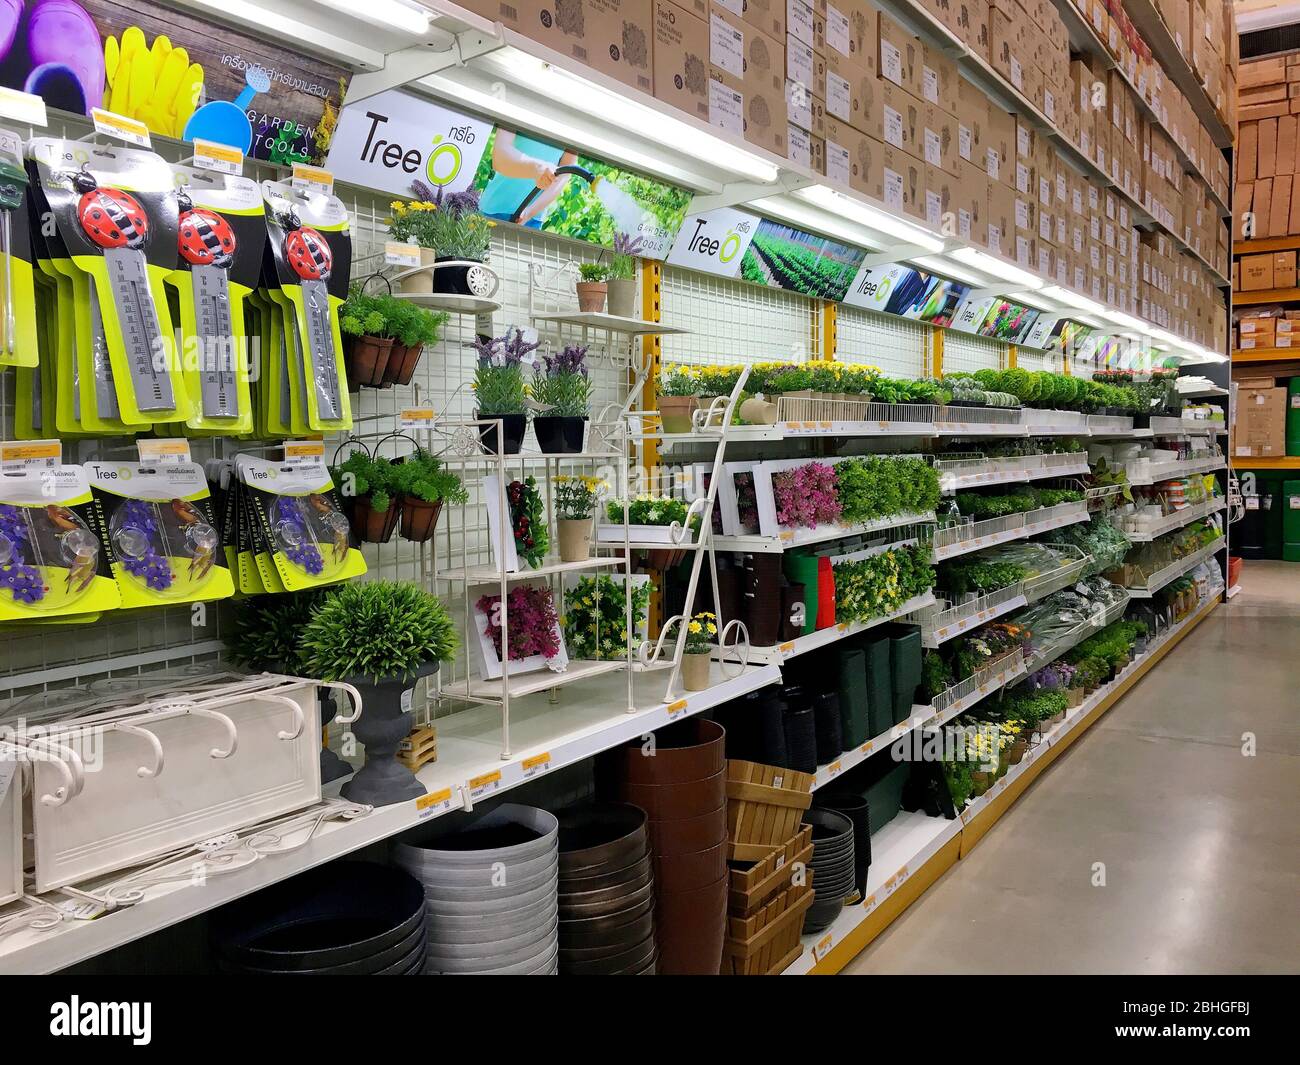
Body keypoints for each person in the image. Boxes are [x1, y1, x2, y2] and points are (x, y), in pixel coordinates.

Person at [479, 130, 579, 227]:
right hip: (493, 208)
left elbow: (564, 174)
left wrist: (531, 211)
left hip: (531, 220)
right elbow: (500, 157)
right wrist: (538, 168)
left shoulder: (575, 125)